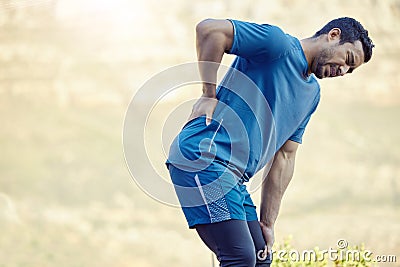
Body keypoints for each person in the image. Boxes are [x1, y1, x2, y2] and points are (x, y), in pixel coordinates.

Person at [166, 17, 374, 267]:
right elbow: (210, 30)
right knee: (239, 257)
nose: (343, 71)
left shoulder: (312, 94)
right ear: (333, 35)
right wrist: (208, 94)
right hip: (202, 162)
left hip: (233, 179)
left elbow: (285, 157)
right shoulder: (278, 45)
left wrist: (267, 222)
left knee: (261, 257)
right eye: (348, 59)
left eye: (350, 71)